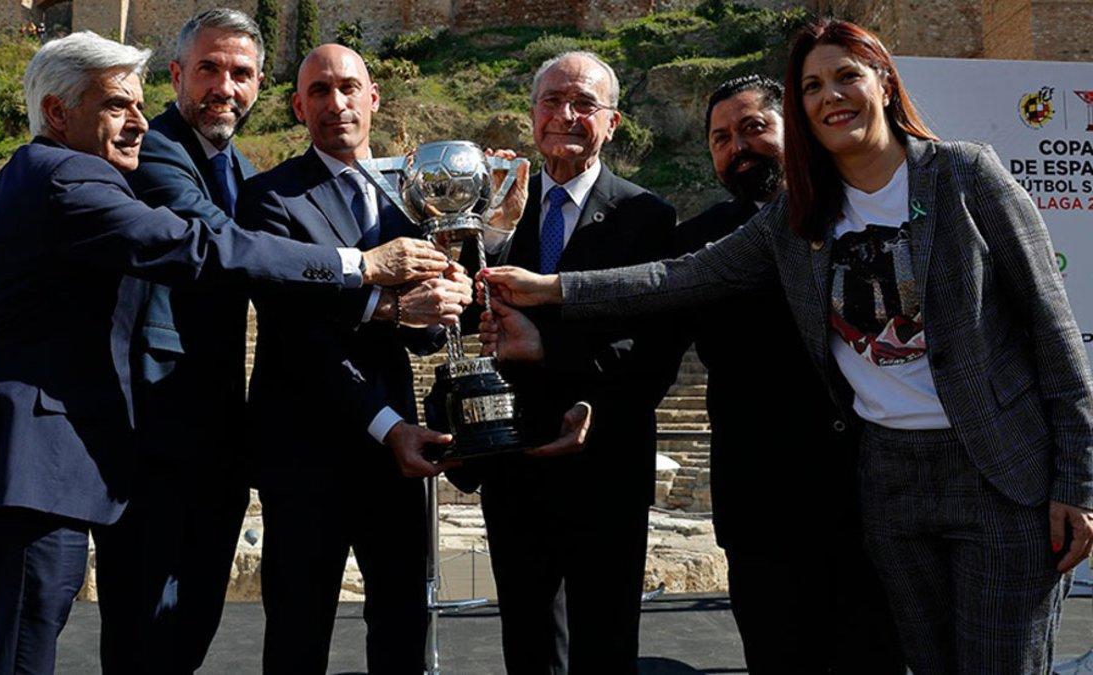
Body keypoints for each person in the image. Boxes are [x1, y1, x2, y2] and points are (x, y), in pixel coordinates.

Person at [482, 19, 1093, 673]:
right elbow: (677, 279)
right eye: (813, 86)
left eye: (846, 76)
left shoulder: (965, 175)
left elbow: (1052, 332)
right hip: (881, 487)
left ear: (884, 83)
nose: (832, 96)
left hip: (987, 475)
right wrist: (549, 291)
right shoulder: (793, 216)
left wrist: (1078, 481)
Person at [0, 31, 450, 675]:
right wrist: (360, 267)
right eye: (117, 106)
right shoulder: (68, 176)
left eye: (138, 105)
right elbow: (204, 248)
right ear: (57, 113)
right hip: (22, 469)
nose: (139, 122)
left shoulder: (55, 177)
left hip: (43, 468)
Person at [236, 44, 476, 674]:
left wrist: (448, 298)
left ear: (373, 98)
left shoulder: (418, 197)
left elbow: (426, 336)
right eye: (318, 91)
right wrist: (390, 314)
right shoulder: (269, 197)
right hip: (306, 451)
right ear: (297, 107)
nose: (335, 103)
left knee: (401, 619)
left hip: (397, 450)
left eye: (349, 88)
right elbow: (295, 328)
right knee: (298, 625)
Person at [464, 51, 684, 673]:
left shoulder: (649, 216)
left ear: (611, 123)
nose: (566, 115)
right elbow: (466, 320)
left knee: (606, 642)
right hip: (515, 461)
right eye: (552, 102)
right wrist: (495, 236)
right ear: (532, 116)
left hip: (605, 459)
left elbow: (657, 349)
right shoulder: (499, 210)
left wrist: (554, 355)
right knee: (529, 645)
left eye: (584, 104)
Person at [676, 74, 902, 672]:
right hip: (761, 509)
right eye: (721, 138)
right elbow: (642, 335)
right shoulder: (697, 243)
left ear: (792, 129)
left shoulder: (861, 217)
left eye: (754, 127)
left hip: (867, 497)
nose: (738, 147)